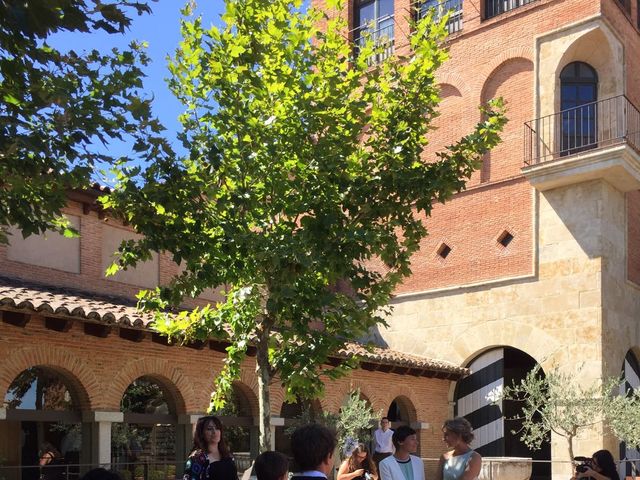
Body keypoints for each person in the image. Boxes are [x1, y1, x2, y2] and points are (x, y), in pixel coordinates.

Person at [183, 415, 238, 480]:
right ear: (201, 433)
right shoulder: (197, 458)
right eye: (209, 429)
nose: (214, 432)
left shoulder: (227, 455)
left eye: (217, 428)